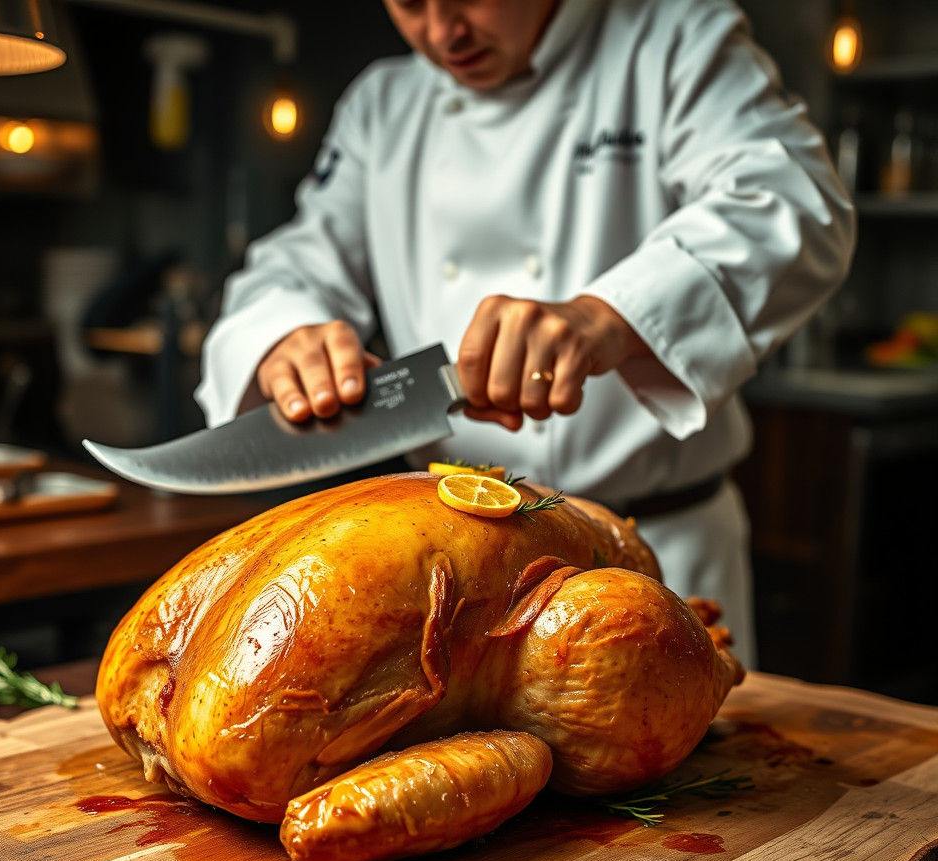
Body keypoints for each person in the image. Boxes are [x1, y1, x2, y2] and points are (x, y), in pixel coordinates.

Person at [195, 0, 856, 667]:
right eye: (409, 4)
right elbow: (301, 256)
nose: (442, 31)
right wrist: (285, 334)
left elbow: (793, 203)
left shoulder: (673, 41)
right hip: (460, 581)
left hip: (656, 564)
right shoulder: (382, 105)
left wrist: (609, 316)